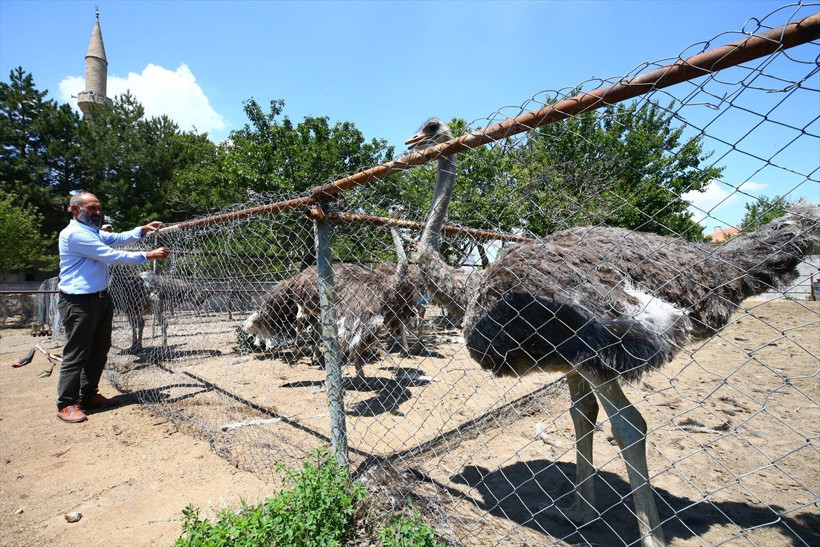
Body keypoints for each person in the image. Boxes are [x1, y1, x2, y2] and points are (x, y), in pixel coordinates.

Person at [56, 192, 171, 423]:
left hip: (100, 299)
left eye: (99, 208)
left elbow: (116, 238)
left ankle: (89, 396)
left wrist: (141, 230)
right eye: (91, 208)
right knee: (77, 353)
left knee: (100, 349)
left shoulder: (92, 232)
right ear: (75, 210)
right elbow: (110, 254)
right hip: (79, 302)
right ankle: (66, 403)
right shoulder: (75, 234)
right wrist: (147, 255)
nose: (97, 213)